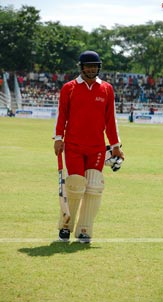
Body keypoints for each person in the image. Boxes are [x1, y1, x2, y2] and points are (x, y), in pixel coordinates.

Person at [54, 50, 124, 243]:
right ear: (81, 67)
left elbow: (111, 120)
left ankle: (85, 229)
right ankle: (65, 226)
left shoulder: (107, 89)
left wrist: (116, 145)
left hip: (97, 148)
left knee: (93, 187)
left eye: (95, 65)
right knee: (75, 186)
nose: (92, 69)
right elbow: (62, 115)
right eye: (88, 65)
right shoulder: (69, 88)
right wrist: (58, 138)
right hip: (74, 145)